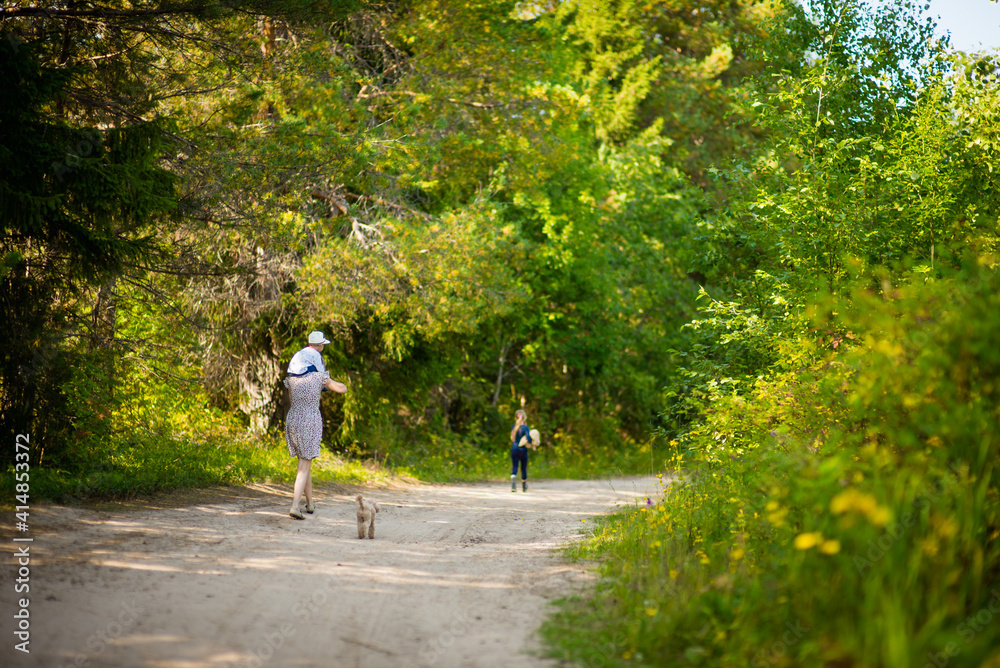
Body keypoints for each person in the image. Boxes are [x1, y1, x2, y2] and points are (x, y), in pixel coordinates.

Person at [284, 331, 347, 519]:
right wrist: (329, 382)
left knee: (305, 461)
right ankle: (295, 506)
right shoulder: (319, 377)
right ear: (319, 347)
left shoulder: (292, 379)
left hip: (293, 418)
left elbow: (292, 397)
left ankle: (310, 503)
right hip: (309, 419)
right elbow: (341, 389)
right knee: (304, 465)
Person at [509, 409, 532, 492]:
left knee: (515, 467)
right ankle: (524, 487)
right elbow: (528, 439)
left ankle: (513, 486)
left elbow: (512, 438)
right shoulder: (526, 428)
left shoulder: (513, 427)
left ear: (516, 417)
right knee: (523, 468)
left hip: (514, 449)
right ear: (524, 418)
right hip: (523, 450)